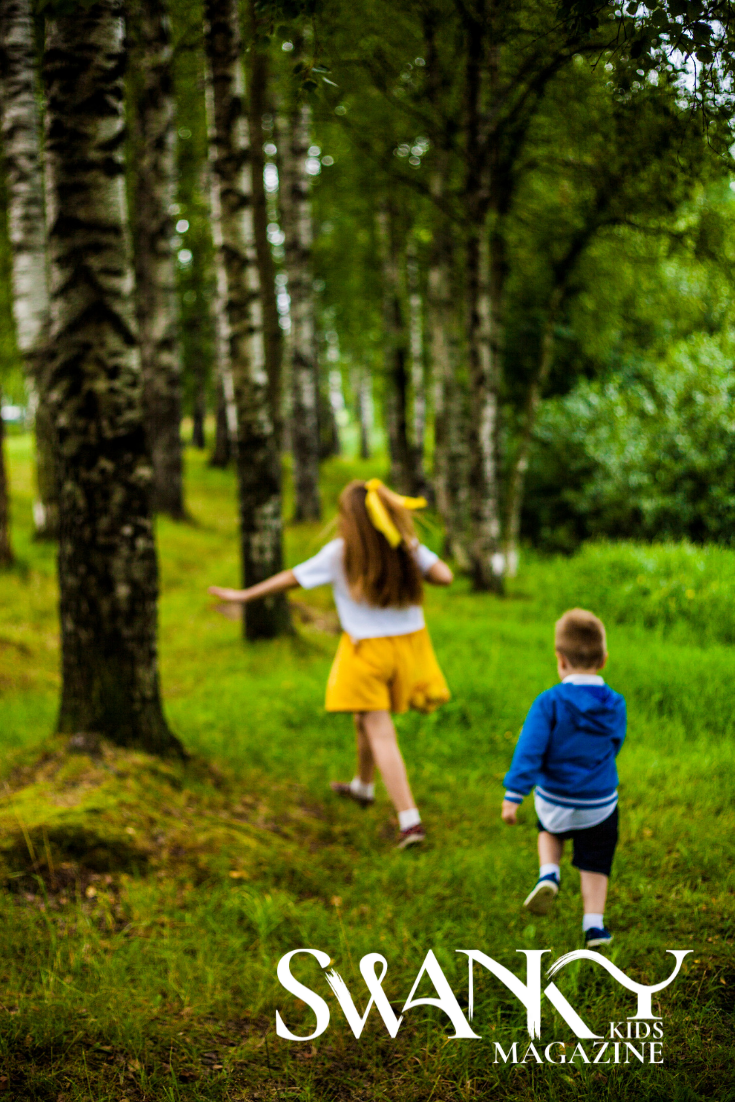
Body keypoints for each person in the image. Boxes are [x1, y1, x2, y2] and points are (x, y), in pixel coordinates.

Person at [209, 478, 453, 848]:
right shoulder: (405, 547)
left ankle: (409, 820)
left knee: (380, 730)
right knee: (363, 718)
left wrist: (244, 596)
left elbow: (291, 579)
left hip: (365, 652)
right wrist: (412, 548)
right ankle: (362, 787)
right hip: (409, 650)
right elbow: (445, 577)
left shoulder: (340, 554)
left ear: (349, 519)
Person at [500, 609, 626, 947]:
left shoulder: (549, 702)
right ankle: (594, 926)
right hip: (599, 804)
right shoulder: (616, 703)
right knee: (596, 862)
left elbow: (529, 750)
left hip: (555, 799)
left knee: (549, 828)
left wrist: (514, 794)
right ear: (604, 660)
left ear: (560, 659)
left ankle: (549, 873)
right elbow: (615, 743)